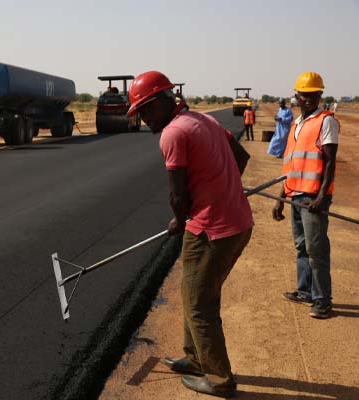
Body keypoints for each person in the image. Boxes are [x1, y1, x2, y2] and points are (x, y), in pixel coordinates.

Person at [126, 71, 253, 398]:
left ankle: (219, 380)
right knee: (191, 290)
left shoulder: (172, 134)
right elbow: (241, 157)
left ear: (162, 101)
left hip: (213, 231)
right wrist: (221, 188)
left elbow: (177, 195)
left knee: (200, 304)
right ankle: (196, 358)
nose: (143, 120)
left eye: (145, 111)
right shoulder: (203, 120)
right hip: (234, 223)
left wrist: (179, 219)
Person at [272, 71, 339, 319]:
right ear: (296, 96)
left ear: (320, 95)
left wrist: (321, 197)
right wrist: (281, 197)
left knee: (316, 248)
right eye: (304, 95)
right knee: (301, 247)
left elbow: (330, 162)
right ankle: (305, 291)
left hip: (313, 197)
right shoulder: (296, 125)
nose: (308, 99)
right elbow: (290, 166)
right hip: (295, 194)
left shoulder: (326, 121)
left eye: (313, 95)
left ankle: (323, 301)